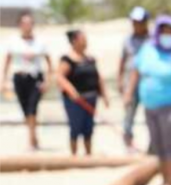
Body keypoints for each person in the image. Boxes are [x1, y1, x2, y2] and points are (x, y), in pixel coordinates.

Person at [125, 15, 171, 185]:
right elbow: (136, 71)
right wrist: (128, 93)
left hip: (170, 106)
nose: (167, 35)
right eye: (163, 31)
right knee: (157, 146)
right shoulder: (148, 48)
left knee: (169, 146)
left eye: (170, 32)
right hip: (150, 106)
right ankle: (163, 181)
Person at [1, 11, 53, 150]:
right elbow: (7, 61)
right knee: (25, 110)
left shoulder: (40, 42)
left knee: (32, 108)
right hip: (19, 78)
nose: (27, 26)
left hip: (35, 78)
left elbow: (49, 62)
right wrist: (3, 81)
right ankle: (33, 136)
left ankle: (31, 140)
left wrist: (48, 81)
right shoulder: (13, 41)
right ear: (19, 25)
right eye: (24, 23)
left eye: (29, 23)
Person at [56, 30, 109, 156]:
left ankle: (88, 154)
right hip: (75, 101)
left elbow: (98, 77)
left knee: (88, 128)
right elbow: (59, 77)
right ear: (74, 41)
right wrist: (71, 91)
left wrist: (104, 95)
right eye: (82, 39)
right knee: (75, 127)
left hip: (91, 97)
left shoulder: (90, 59)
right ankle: (74, 155)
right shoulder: (68, 59)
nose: (85, 42)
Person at [117, 6, 150, 153]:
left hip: (149, 82)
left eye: (140, 22)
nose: (137, 25)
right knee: (129, 114)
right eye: (134, 22)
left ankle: (153, 144)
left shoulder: (152, 40)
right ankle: (128, 144)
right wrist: (119, 81)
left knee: (151, 114)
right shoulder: (127, 41)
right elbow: (122, 61)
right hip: (130, 82)